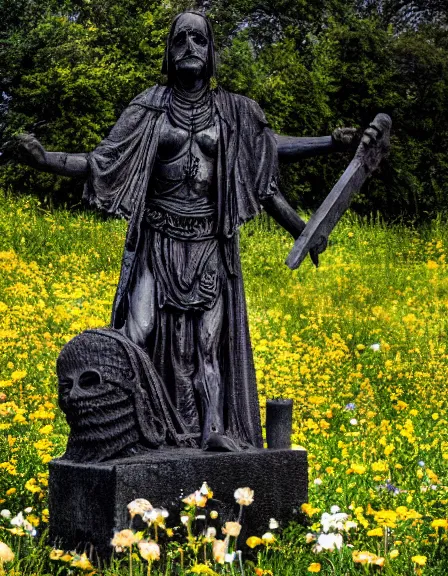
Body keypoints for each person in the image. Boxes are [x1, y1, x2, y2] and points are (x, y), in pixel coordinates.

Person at [14, 11, 368, 451]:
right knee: (135, 334)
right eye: (180, 38)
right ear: (169, 48)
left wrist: (330, 144)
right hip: (158, 242)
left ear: (211, 50)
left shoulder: (234, 111)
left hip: (207, 244)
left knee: (208, 348)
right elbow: (103, 160)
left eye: (199, 39)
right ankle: (129, 428)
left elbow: (267, 151)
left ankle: (213, 430)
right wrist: (45, 158)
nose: (189, 46)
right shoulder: (148, 107)